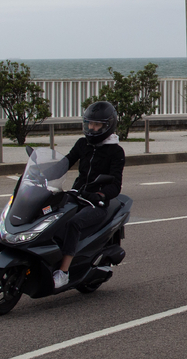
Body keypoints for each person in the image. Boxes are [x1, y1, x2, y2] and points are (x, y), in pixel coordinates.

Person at [52, 101, 125, 289]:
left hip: (96, 203)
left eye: (96, 124)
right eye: (89, 124)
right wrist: (44, 172)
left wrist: (100, 194)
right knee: (50, 214)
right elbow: (66, 162)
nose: (92, 128)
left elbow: (116, 185)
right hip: (77, 195)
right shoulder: (83, 143)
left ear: (107, 125)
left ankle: (64, 272)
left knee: (73, 224)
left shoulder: (115, 151)